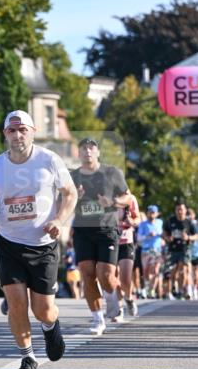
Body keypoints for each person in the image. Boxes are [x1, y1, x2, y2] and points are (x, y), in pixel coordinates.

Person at [0, 110, 77, 369]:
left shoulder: (49, 160)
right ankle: (28, 357)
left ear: (33, 132)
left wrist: (59, 219)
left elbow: (70, 194)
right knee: (17, 304)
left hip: (43, 245)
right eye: (12, 130)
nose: (18, 135)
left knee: (43, 309)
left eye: (23, 130)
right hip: (8, 244)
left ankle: (50, 326)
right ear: (5, 134)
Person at [70, 137, 130, 336]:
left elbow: (127, 197)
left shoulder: (112, 173)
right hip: (82, 231)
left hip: (107, 230)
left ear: (98, 152)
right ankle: (97, 318)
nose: (87, 151)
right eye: (83, 148)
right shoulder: (72, 176)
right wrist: (74, 197)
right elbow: (63, 200)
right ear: (78, 153)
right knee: (87, 275)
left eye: (91, 148)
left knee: (105, 275)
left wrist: (112, 202)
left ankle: (115, 301)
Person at [163, 200, 198, 300]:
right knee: (170, 271)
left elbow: (196, 235)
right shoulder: (170, 221)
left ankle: (182, 291)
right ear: (175, 210)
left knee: (183, 269)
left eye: (181, 209)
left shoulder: (189, 222)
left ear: (185, 210)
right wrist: (167, 238)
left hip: (184, 249)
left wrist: (188, 237)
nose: (180, 212)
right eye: (178, 209)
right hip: (172, 250)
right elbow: (164, 232)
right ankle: (169, 292)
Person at [114, 191, 141, 319]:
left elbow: (138, 218)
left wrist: (131, 221)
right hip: (110, 242)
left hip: (126, 242)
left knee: (125, 279)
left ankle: (129, 298)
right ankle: (119, 309)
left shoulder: (130, 198)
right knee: (113, 277)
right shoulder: (105, 195)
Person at [137, 205, 164, 298]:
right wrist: (148, 235)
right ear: (147, 213)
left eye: (153, 212)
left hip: (157, 250)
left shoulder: (160, 222)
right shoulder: (143, 224)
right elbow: (138, 238)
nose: (151, 214)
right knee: (146, 271)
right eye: (150, 212)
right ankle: (146, 287)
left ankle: (152, 290)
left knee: (156, 270)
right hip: (146, 250)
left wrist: (162, 236)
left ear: (157, 213)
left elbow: (164, 233)